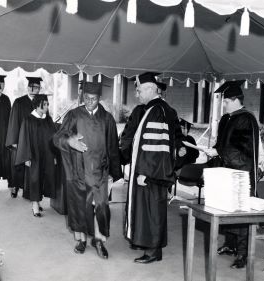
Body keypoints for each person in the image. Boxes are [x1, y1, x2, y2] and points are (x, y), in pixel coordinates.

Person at [53, 81, 122, 260]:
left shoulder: (107, 118)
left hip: (100, 172)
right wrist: (70, 141)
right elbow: (57, 137)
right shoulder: (74, 115)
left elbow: (113, 146)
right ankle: (81, 240)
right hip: (78, 171)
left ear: (99, 98)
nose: (90, 101)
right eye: (86, 98)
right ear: (82, 97)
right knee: (79, 207)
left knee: (101, 207)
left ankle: (99, 241)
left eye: (93, 98)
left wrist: (115, 173)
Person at [124, 72, 183, 264]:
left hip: (151, 173)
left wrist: (146, 174)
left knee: (152, 211)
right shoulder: (156, 109)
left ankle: (153, 251)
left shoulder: (157, 111)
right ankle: (149, 246)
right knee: (149, 210)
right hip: (151, 172)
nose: (137, 94)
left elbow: (155, 147)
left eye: (139, 90)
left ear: (150, 89)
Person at [204, 80, 259, 269]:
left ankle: (243, 255)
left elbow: (243, 149)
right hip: (227, 170)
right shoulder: (228, 118)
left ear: (235, 100)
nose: (224, 105)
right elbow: (224, 145)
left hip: (241, 173)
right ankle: (230, 244)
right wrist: (214, 151)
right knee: (226, 208)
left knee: (241, 212)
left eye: (226, 101)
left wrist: (219, 152)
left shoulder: (246, 119)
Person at [15, 94, 58, 217]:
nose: (47, 106)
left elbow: (54, 138)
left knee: (45, 178)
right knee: (35, 179)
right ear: (38, 105)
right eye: (44, 104)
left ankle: (38, 201)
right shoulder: (28, 120)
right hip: (34, 155)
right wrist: (26, 157)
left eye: (47, 104)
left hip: (47, 155)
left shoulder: (48, 119)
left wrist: (54, 155)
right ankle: (35, 205)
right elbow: (24, 139)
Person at [6, 77, 42, 198]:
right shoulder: (19, 102)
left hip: (35, 139)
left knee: (32, 166)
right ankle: (15, 187)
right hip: (20, 138)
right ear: (28, 88)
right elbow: (13, 121)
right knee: (18, 164)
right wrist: (14, 140)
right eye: (34, 87)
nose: (36, 90)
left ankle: (29, 190)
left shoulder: (41, 102)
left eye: (38, 88)